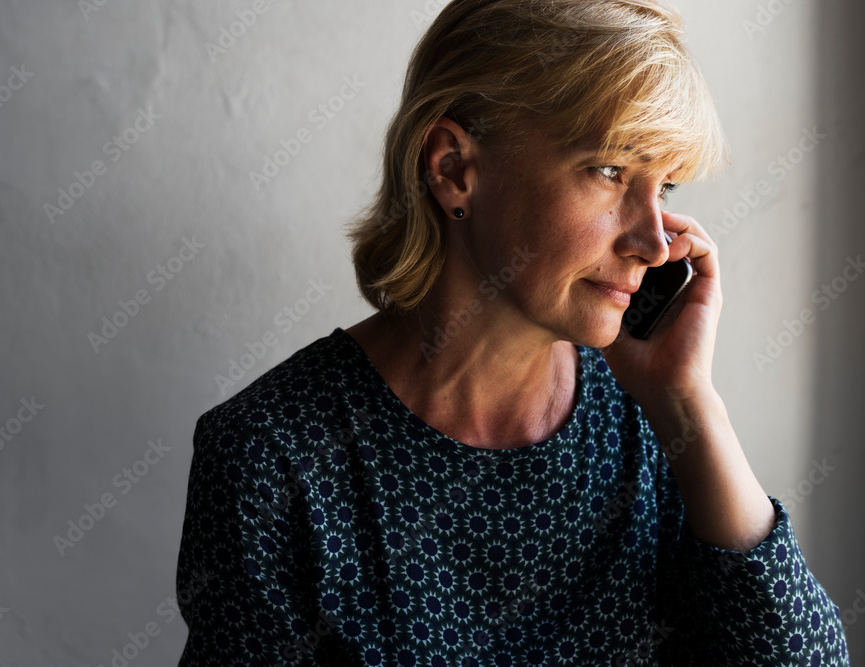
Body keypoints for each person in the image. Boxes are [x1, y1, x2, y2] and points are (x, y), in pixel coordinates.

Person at [176, 0, 850, 664]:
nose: (652, 240)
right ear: (454, 169)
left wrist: (689, 407)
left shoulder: (651, 421)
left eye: (665, 187)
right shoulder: (272, 457)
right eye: (611, 170)